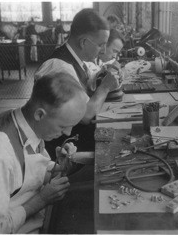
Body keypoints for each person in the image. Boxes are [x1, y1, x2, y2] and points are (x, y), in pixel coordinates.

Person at [0, 73, 89, 234]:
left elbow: (26, 176)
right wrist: (41, 200)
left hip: (40, 218)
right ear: (39, 114)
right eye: (62, 126)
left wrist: (57, 168)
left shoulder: (25, 124)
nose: (67, 133)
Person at [34, 9, 119, 155]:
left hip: (73, 139)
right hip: (60, 149)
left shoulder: (76, 61)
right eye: (101, 45)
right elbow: (85, 115)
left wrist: (103, 74)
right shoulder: (59, 66)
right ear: (84, 42)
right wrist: (104, 87)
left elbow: (83, 85)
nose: (104, 50)